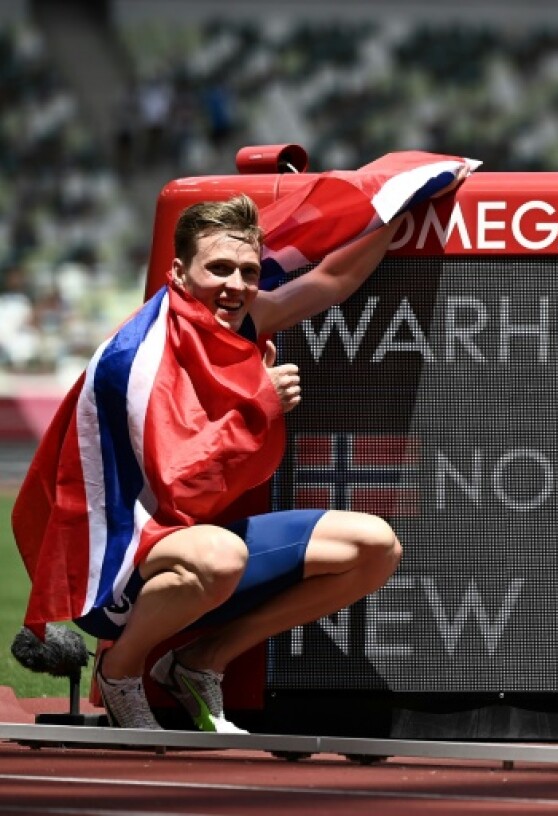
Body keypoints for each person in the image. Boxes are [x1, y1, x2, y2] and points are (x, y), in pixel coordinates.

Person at [43, 195, 409, 732]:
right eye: (218, 268)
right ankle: (120, 671)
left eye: (248, 271)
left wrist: (397, 205)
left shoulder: (239, 320)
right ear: (179, 272)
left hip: (196, 548)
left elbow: (332, 280)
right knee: (219, 556)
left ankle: (199, 662)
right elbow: (178, 485)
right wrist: (258, 402)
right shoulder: (136, 359)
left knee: (376, 548)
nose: (235, 284)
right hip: (111, 569)